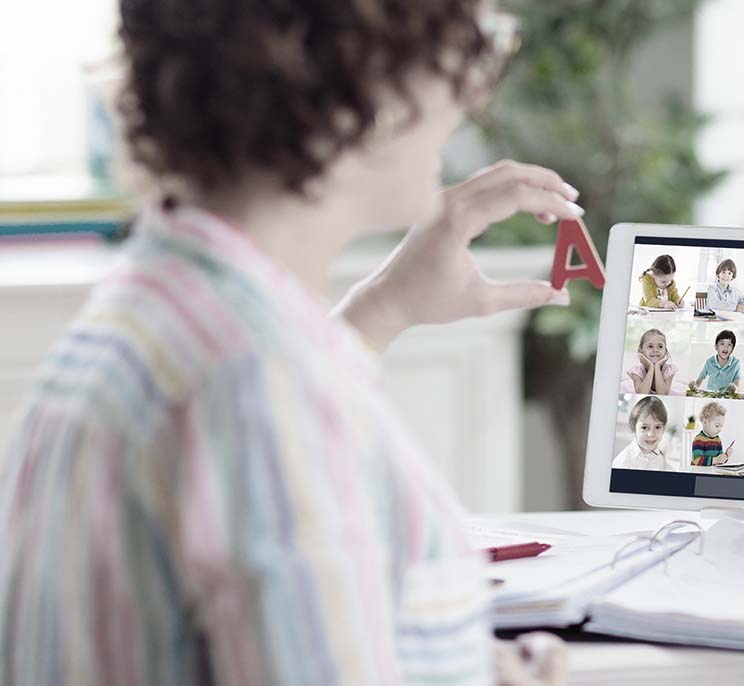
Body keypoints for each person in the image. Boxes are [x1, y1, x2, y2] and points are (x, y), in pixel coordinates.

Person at [0, 2, 570, 684]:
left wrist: (384, 309)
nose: (474, 93)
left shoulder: (144, 322)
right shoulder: (259, 390)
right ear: (366, 82)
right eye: (466, 47)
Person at [613, 396, 672, 471]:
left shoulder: (659, 456)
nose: (651, 434)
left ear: (664, 429)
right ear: (634, 427)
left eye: (657, 427)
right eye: (644, 427)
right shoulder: (623, 462)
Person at [628, 328, 677, 395]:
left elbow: (662, 394)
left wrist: (657, 366)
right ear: (641, 349)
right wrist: (651, 367)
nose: (655, 350)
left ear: (665, 350)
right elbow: (642, 393)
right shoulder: (637, 370)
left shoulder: (668, 369)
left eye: (660, 346)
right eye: (650, 346)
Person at [691, 401, 733, 466]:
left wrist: (726, 455)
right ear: (705, 422)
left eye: (721, 426)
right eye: (717, 426)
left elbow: (720, 460)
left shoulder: (717, 439)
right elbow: (697, 460)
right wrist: (716, 460)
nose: (720, 429)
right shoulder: (699, 439)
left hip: (710, 471)